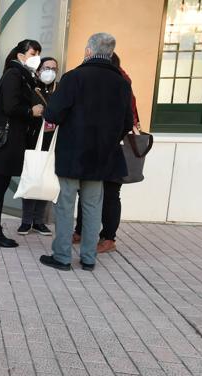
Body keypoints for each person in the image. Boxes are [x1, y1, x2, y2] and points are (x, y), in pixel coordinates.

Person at [40, 33, 133, 271]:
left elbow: (52, 114)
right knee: (93, 206)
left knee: (66, 204)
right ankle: (89, 258)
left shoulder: (74, 77)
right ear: (110, 53)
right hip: (103, 155)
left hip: (73, 153)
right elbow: (126, 123)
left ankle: (61, 257)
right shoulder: (122, 83)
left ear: (89, 51)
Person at [73, 52, 141, 254]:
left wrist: (109, 137)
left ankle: (109, 237)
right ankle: (82, 230)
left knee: (111, 192)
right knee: (86, 189)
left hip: (114, 146)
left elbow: (127, 118)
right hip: (94, 144)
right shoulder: (105, 80)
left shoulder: (121, 82)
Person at [0, 39, 44, 248]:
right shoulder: (14, 75)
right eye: (33, 53)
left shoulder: (22, 75)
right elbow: (10, 106)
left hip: (9, 140)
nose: (37, 58)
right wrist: (30, 111)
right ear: (21, 55)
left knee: (0, 185)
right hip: (6, 141)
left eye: (38, 53)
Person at [18, 57, 60, 237]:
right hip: (33, 139)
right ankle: (26, 221)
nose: (50, 71)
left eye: (53, 68)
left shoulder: (60, 90)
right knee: (31, 177)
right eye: (46, 67)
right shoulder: (30, 89)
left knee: (46, 179)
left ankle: (39, 221)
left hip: (53, 141)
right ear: (39, 70)